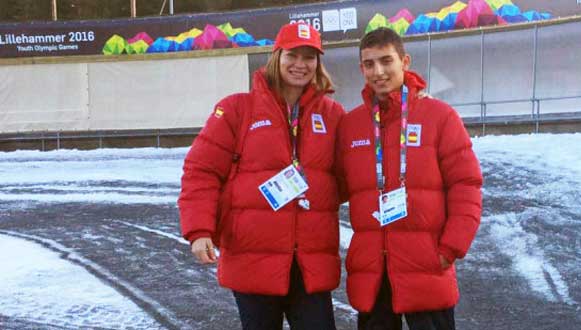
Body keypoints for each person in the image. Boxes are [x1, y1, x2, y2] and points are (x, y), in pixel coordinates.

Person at [178, 22, 344, 330]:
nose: (300, 65)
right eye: (293, 55)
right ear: (276, 56)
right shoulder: (236, 110)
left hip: (310, 263)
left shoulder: (333, 116)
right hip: (252, 258)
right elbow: (201, 171)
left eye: (309, 57)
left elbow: (350, 177)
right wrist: (199, 229)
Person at [335, 27, 483, 330]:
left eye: (386, 61)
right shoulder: (351, 125)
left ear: (405, 61)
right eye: (369, 64)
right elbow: (332, 185)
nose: (378, 72)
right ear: (361, 68)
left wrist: (449, 249)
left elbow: (466, 185)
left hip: (426, 265)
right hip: (373, 270)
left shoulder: (439, 116)